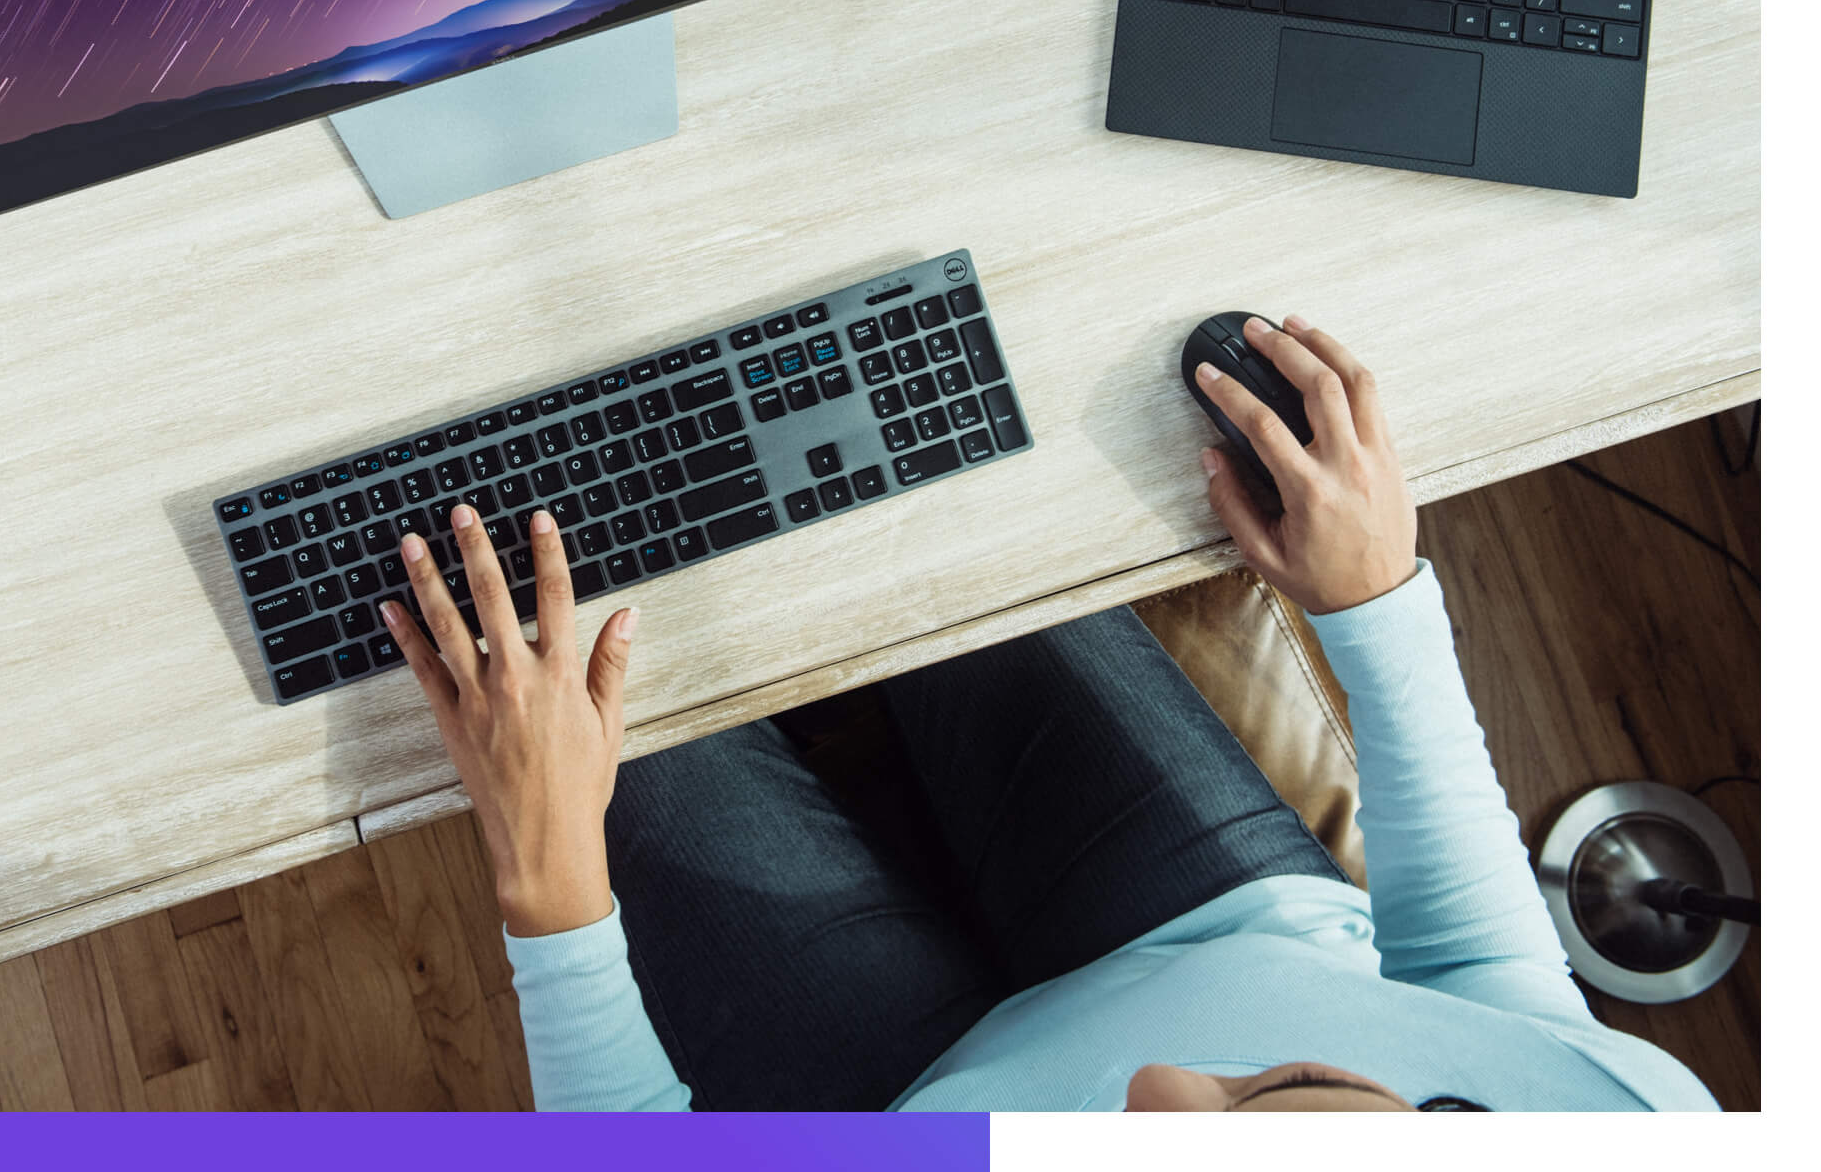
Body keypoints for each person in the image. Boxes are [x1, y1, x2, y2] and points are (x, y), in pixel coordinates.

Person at [377, 316, 1716, 1111]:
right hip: (1196, 914)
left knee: (540, 601)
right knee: (898, 440)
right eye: (1277, 1083)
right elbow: (1489, 996)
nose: (1158, 1081)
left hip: (885, 1097)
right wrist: (1376, 604)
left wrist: (548, 887)